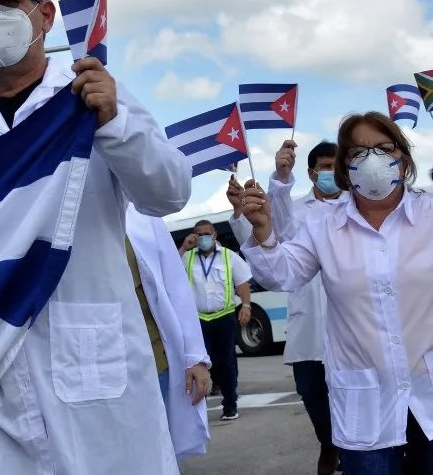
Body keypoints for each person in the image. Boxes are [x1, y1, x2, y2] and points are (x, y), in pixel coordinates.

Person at [0, 0, 192, 475]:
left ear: (44, 15)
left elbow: (170, 193)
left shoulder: (93, 98)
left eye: (7, 2)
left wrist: (115, 124)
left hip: (91, 355)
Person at [239, 111, 433, 475]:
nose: (371, 159)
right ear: (345, 165)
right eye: (358, 152)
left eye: (383, 148)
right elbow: (285, 274)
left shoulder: (429, 214)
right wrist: (264, 231)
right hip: (366, 404)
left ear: (402, 157)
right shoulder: (323, 224)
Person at [255, 140, 344, 475]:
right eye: (324, 166)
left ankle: (348, 452)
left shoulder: (359, 206)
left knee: (352, 397)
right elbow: (278, 224)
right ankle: (328, 443)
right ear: (311, 172)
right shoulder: (298, 210)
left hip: (349, 326)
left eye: (336, 165)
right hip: (308, 328)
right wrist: (280, 175)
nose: (331, 172)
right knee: (311, 393)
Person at [125, 206, 211, 460]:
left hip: (153, 362)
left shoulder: (142, 214)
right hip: (89, 367)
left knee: (157, 455)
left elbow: (175, 287)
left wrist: (195, 358)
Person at [179, 220, 252, 421]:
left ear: (214, 235)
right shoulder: (188, 257)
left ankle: (230, 405)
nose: (203, 238)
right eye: (198, 234)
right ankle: (196, 410)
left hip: (224, 317)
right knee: (199, 363)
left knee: (225, 363)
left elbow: (243, 283)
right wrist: (184, 246)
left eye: (207, 233)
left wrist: (246, 306)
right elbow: (170, 273)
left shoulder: (229, 257)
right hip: (199, 320)